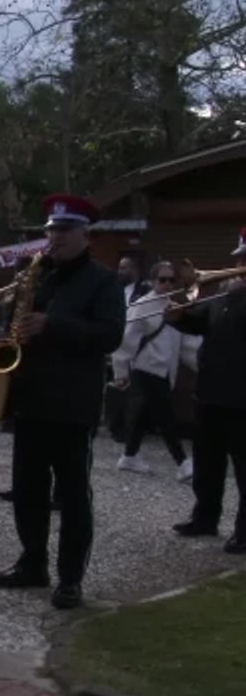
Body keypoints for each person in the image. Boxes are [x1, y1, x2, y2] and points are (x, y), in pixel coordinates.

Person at [0, 194, 125, 610]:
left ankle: (70, 578)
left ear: (86, 235)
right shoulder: (39, 275)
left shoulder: (104, 282)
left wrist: (53, 325)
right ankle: (33, 563)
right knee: (28, 492)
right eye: (51, 230)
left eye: (64, 231)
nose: (55, 238)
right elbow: (13, 328)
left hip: (71, 405)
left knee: (73, 495)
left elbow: (109, 336)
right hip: (30, 400)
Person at [166, 228, 246, 553]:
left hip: (242, 400)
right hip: (210, 394)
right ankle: (205, 517)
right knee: (207, 464)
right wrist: (178, 316)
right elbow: (199, 322)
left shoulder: (237, 297)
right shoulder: (224, 297)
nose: (239, 265)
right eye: (239, 259)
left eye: (244, 260)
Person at [113, 261, 196, 481]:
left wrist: (202, 364)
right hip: (145, 368)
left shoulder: (173, 307)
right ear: (153, 281)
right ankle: (183, 463)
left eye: (171, 279)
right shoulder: (142, 305)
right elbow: (126, 339)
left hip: (164, 372)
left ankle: (129, 456)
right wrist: (120, 371)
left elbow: (184, 343)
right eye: (163, 279)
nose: (168, 284)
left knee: (145, 415)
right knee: (165, 416)